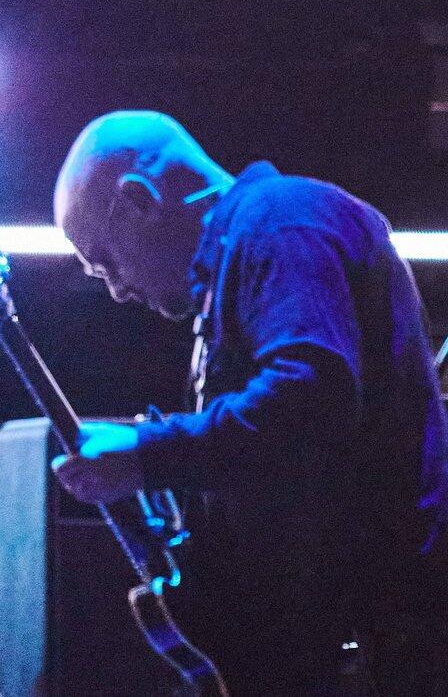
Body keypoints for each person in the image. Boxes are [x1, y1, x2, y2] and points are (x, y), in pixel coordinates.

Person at [51, 110, 448, 695]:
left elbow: (308, 402)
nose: (117, 290)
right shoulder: (251, 247)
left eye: (106, 261)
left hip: (377, 644)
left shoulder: (280, 222)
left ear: (138, 202)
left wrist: (147, 454)